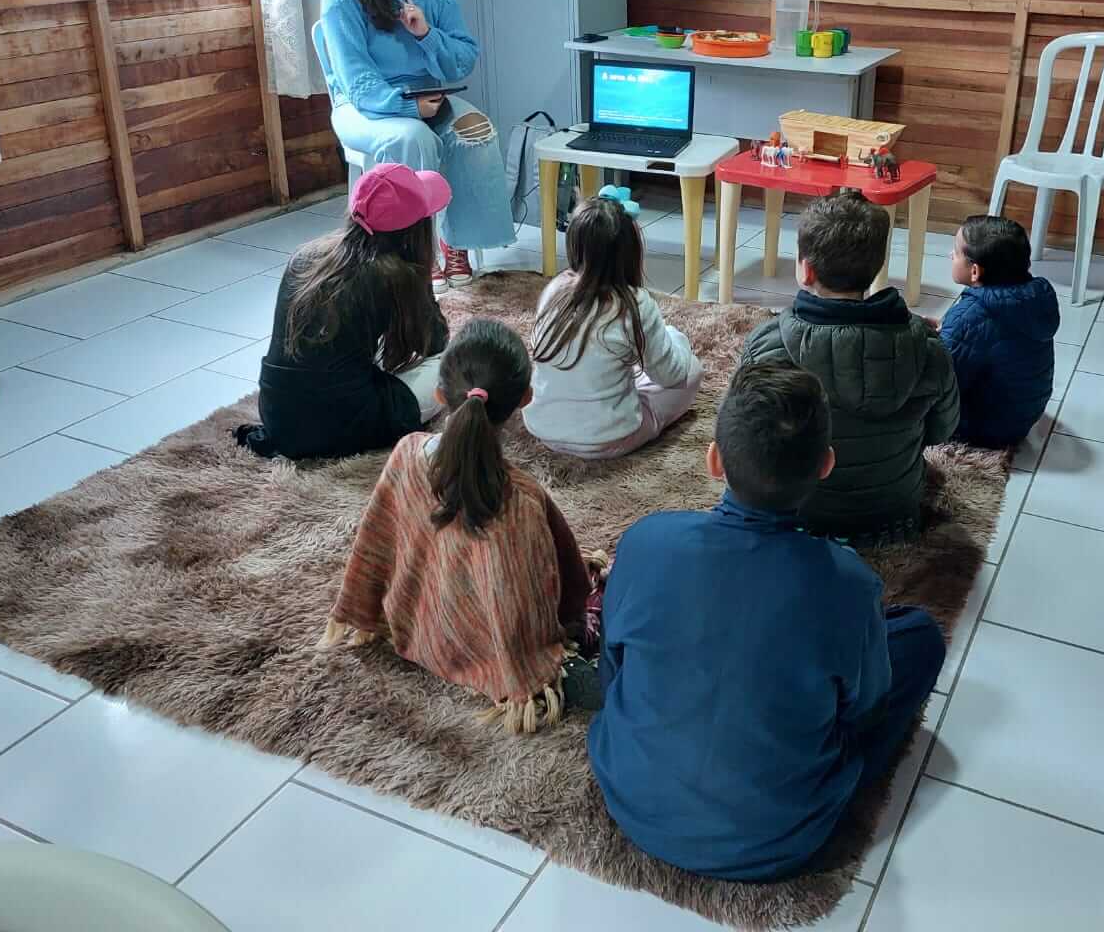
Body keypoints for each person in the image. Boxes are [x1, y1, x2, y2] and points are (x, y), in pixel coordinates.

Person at [588, 361, 946, 881]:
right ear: (826, 465)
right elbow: (864, 708)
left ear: (714, 459)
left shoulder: (647, 540)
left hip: (631, 799)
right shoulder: (848, 583)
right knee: (919, 638)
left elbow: (613, 663)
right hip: (781, 838)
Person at [323, 319, 606, 732]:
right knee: (617, 656)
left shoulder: (406, 452)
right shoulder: (520, 499)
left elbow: (378, 546)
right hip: (495, 649)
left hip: (414, 626)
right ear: (525, 399)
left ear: (441, 394)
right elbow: (545, 600)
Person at [737, 191, 958, 548]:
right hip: (894, 516)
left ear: (805, 270)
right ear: (876, 267)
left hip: (796, 517)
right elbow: (941, 431)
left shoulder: (765, 346)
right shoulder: (930, 350)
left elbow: (745, 440)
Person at [318, 0, 514, 287]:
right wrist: (408, 109)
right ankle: (413, 251)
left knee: (475, 130)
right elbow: (356, 79)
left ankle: (456, 241)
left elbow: (463, 59)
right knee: (413, 138)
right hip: (363, 107)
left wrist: (425, 33)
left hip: (426, 96)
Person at [235, 163, 449, 461]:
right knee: (450, 362)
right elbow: (435, 341)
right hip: (341, 427)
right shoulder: (396, 275)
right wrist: (421, 277)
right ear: (416, 231)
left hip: (277, 416)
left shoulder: (307, 255)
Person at [522, 195, 704, 458]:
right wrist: (676, 337)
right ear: (631, 253)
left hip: (543, 429)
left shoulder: (555, 289)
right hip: (607, 439)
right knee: (692, 370)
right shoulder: (635, 303)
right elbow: (673, 374)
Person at [941, 215, 1060, 449]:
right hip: (1023, 415)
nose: (950, 255)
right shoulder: (1034, 299)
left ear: (975, 271)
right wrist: (948, 332)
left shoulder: (969, 316)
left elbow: (941, 381)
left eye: (956, 252)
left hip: (983, 428)